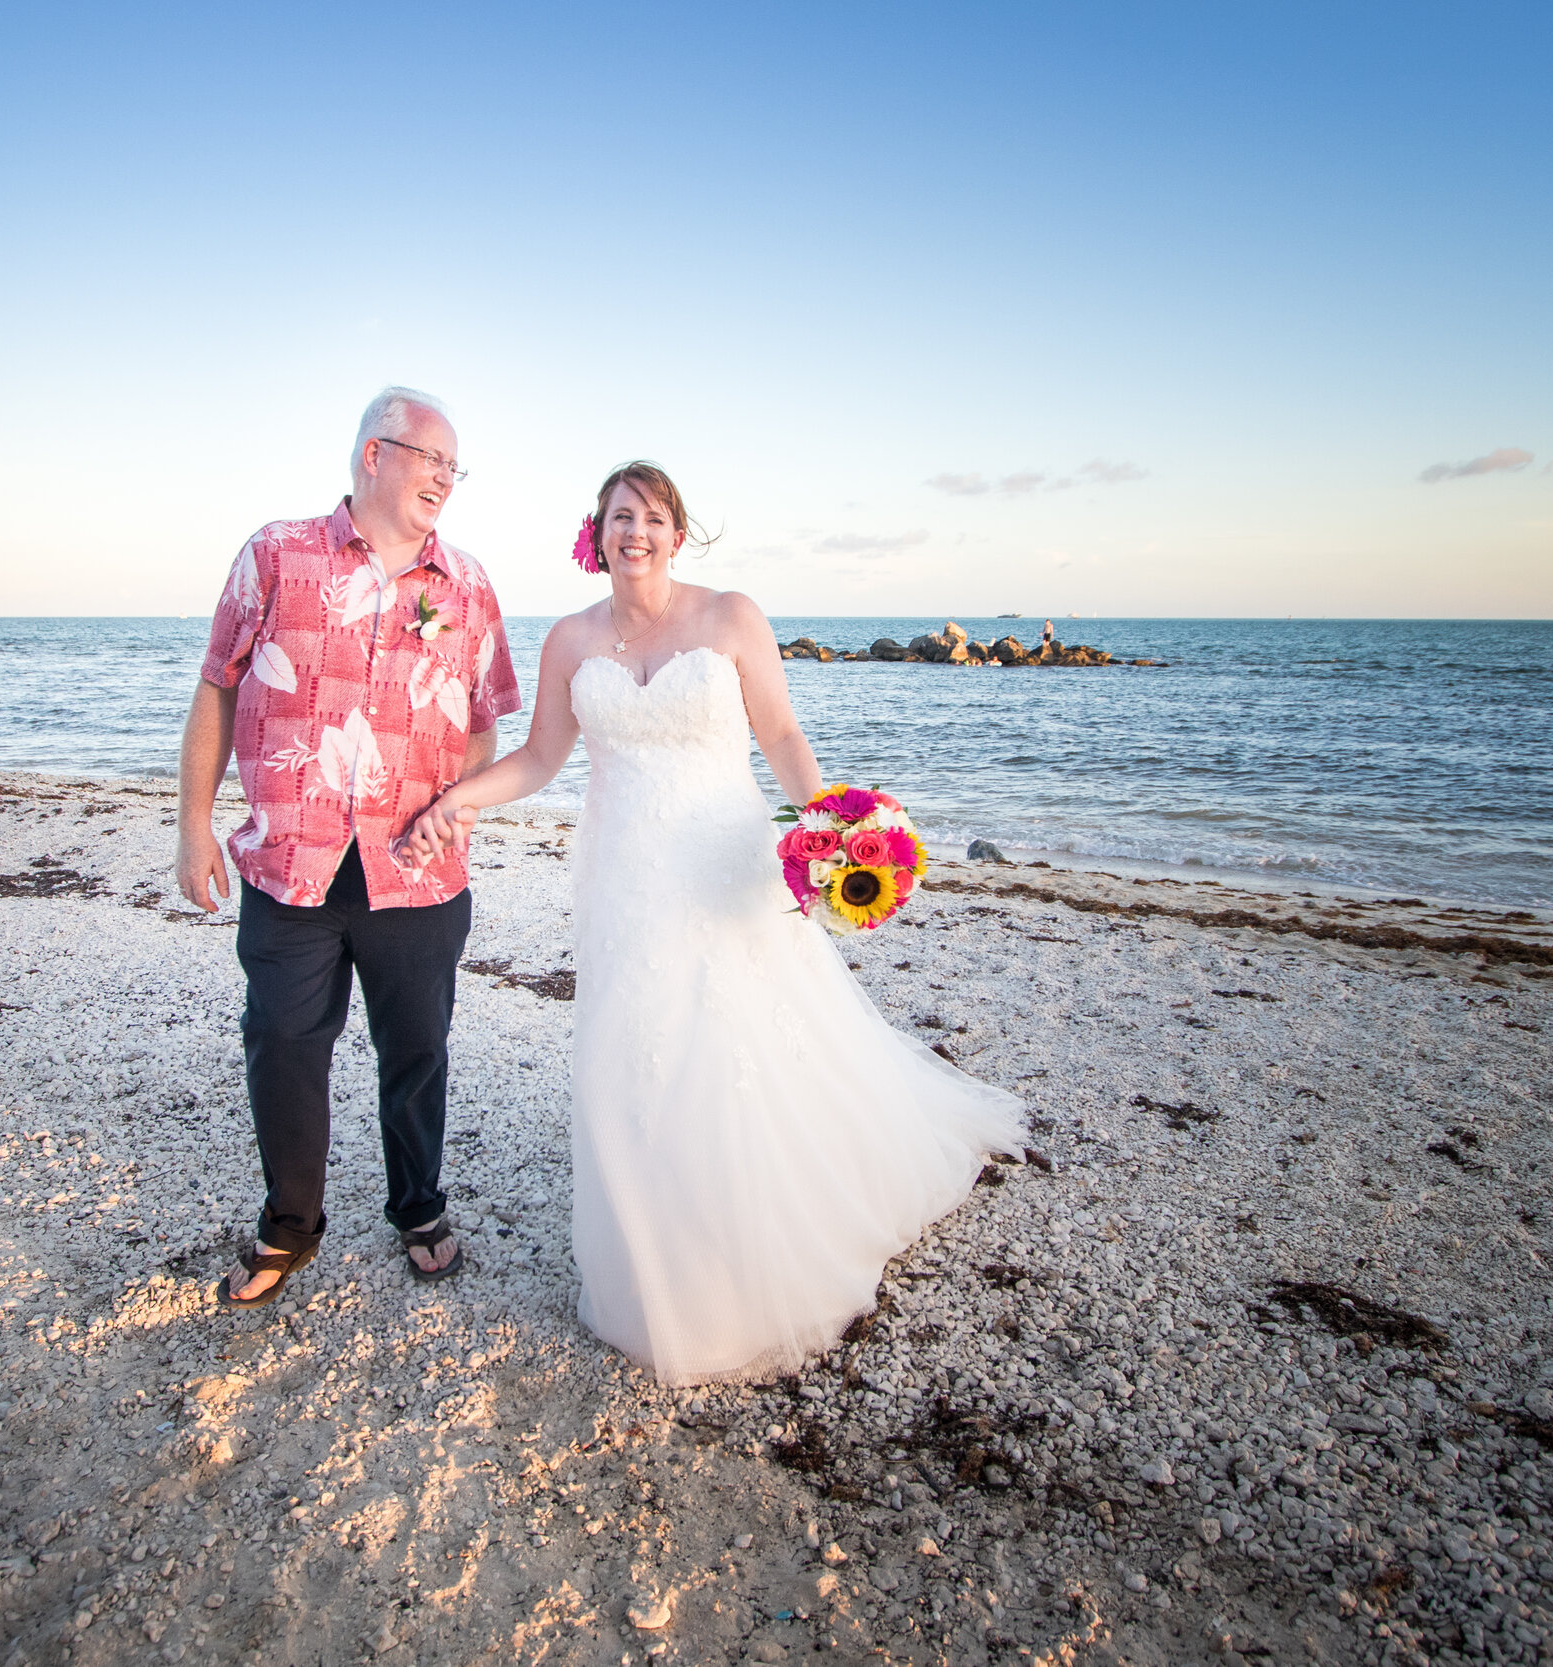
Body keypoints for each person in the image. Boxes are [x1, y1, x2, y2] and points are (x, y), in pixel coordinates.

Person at [402, 462, 1024, 1382]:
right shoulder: (571, 641)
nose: (636, 533)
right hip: (624, 878)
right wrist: (456, 800)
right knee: (639, 1052)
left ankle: (755, 1242)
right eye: (621, 517)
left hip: (728, 865)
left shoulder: (732, 616)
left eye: (653, 518)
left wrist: (835, 833)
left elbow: (780, 735)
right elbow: (539, 757)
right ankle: (660, 1261)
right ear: (596, 532)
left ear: (678, 533)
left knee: (742, 1043)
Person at [176, 387, 521, 1306]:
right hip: (291, 860)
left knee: (417, 1050)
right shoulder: (276, 554)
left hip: (419, 874)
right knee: (283, 1041)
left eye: (456, 466)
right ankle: (291, 1223)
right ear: (375, 454)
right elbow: (216, 687)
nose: (445, 478)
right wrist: (193, 824)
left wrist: (460, 808)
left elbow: (487, 723)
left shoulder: (471, 585)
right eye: (431, 458)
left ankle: (417, 1205)